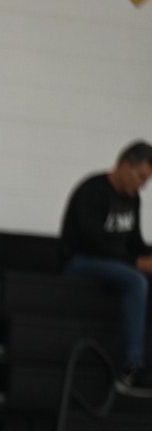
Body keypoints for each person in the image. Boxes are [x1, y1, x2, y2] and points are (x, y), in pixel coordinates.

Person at [60, 141, 152, 398]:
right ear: (124, 165)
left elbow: (134, 241)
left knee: (140, 276)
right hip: (79, 261)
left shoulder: (133, 199)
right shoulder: (93, 190)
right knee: (136, 281)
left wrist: (147, 257)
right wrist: (137, 263)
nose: (143, 185)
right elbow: (92, 242)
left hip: (114, 263)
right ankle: (130, 368)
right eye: (141, 177)